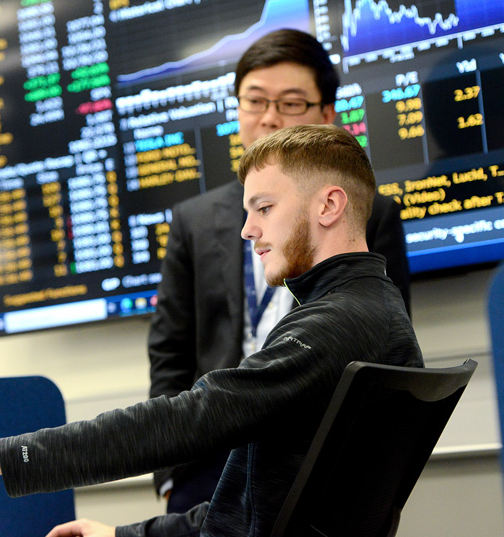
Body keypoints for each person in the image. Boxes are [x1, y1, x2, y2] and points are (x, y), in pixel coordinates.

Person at [0, 124, 423, 537]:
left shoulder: (335, 325)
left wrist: (9, 456)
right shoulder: (372, 308)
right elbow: (256, 513)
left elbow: (189, 419)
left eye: (264, 208)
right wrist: (127, 534)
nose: (248, 230)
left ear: (329, 205)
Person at [148, 28, 411, 513]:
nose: (269, 118)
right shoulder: (194, 220)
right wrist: (170, 475)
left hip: (319, 450)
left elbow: (388, 354)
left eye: (291, 104)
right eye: (255, 101)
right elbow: (170, 352)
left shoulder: (369, 213)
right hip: (210, 454)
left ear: (327, 117)